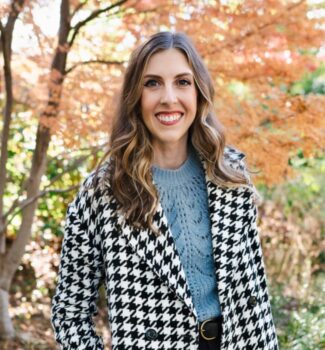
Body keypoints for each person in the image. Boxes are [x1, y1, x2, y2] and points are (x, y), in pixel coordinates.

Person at [51, 31, 279, 350]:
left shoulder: (230, 174)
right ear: (135, 95)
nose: (169, 98)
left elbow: (256, 295)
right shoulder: (102, 191)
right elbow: (70, 312)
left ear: (199, 92)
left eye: (183, 82)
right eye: (152, 83)